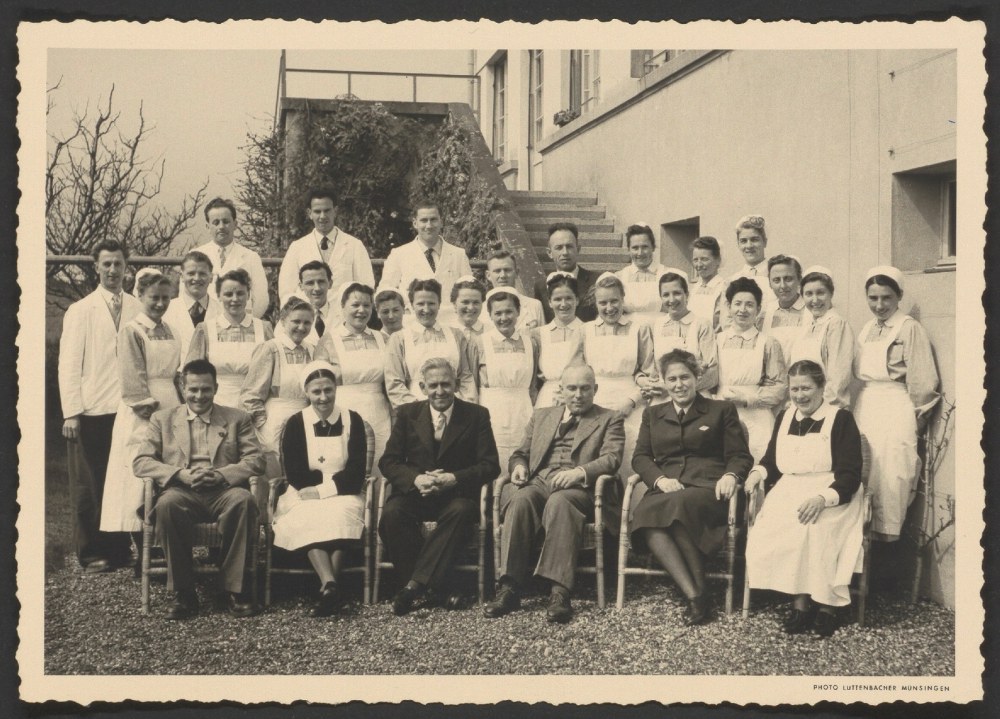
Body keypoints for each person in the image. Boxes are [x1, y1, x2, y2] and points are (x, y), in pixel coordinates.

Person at [484, 363, 624, 624]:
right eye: (572, 388)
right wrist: (519, 467)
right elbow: (520, 453)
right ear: (561, 389)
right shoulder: (542, 415)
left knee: (560, 501)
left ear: (596, 389)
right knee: (520, 498)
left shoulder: (609, 418)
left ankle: (559, 592)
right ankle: (510, 587)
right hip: (540, 480)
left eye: (585, 388)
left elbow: (611, 459)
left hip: (580, 489)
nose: (578, 394)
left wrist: (579, 472)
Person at [132, 359, 264, 619]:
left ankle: (231, 590)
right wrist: (181, 474)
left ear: (215, 388)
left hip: (223, 491)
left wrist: (221, 475)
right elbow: (141, 462)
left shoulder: (236, 418)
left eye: (205, 389)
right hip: (182, 490)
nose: (199, 396)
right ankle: (184, 592)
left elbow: (256, 460)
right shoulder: (163, 419)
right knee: (167, 505)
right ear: (182, 388)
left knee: (243, 501)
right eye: (193, 389)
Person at [630, 349, 753, 625]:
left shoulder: (721, 410)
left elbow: (740, 455)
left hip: (710, 488)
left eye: (684, 377)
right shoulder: (652, 414)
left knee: (678, 505)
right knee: (646, 517)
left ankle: (697, 597)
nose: (678, 385)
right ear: (663, 381)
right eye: (671, 379)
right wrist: (659, 480)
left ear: (697, 377)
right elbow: (640, 457)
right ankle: (696, 594)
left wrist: (731, 475)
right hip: (668, 488)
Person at [744, 360, 865, 638]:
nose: (800, 395)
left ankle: (826, 607)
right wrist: (756, 474)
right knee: (779, 527)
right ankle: (800, 605)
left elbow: (850, 473)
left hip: (832, 492)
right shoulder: (785, 416)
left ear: (822, 387)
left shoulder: (840, 419)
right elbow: (771, 460)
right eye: (794, 389)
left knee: (816, 529)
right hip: (789, 489)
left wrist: (823, 498)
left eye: (806, 388)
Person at [378, 358, 500, 614]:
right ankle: (439, 588)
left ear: (456, 384)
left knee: (461, 512)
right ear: (422, 387)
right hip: (416, 492)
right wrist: (416, 479)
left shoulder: (477, 415)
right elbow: (388, 461)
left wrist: (453, 478)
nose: (440, 391)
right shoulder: (408, 413)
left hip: (455, 495)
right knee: (391, 513)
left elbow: (490, 465)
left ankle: (412, 587)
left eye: (446, 384)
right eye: (433, 385)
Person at [58, 239, 142, 572]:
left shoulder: (137, 307)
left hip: (127, 409)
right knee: (90, 484)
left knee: (122, 481)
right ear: (96, 267)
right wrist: (71, 412)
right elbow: (68, 364)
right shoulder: (81, 310)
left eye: (118, 264)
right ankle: (91, 552)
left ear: (126, 266)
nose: (112, 270)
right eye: (106, 264)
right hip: (92, 408)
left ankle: (120, 550)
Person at [271, 361, 368, 617]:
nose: (323, 397)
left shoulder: (352, 419)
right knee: (309, 515)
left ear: (336, 389)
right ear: (306, 392)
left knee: (341, 513)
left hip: (344, 491)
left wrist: (325, 490)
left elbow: (357, 471)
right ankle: (332, 585)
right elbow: (295, 472)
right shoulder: (295, 423)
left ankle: (327, 587)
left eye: (328, 390)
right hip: (303, 491)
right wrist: (314, 488)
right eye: (316, 392)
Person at [853, 266, 939, 542]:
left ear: (899, 296)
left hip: (897, 407)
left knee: (891, 471)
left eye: (886, 298)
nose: (879, 305)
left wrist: (917, 420)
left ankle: (885, 537)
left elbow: (924, 381)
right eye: (873, 298)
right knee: (863, 465)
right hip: (867, 404)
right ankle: (858, 536)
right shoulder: (866, 329)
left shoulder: (909, 329)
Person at [100, 270, 182, 536]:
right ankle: (141, 542)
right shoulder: (132, 331)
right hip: (145, 409)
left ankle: (164, 539)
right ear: (140, 295)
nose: (160, 303)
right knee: (142, 470)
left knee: (169, 468)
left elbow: (176, 372)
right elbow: (131, 377)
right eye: (154, 298)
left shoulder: (171, 329)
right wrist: (147, 408)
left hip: (170, 401)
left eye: (165, 298)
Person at [576, 272, 655, 476]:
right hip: (594, 402)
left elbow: (649, 374)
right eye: (603, 302)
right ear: (595, 303)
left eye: (614, 301)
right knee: (593, 456)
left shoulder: (639, 328)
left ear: (623, 300)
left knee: (629, 453)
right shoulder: (585, 330)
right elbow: (578, 372)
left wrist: (631, 402)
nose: (609, 308)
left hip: (629, 402)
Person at [314, 282, 392, 475]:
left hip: (378, 409)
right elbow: (321, 381)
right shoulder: (329, 340)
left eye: (366, 305)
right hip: (342, 407)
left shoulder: (383, 338)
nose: (361, 310)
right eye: (355, 305)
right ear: (342, 307)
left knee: (380, 461)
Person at [715, 277, 788, 461]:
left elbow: (779, 387)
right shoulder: (717, 340)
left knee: (757, 466)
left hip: (757, 417)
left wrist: (748, 399)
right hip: (721, 413)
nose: (742, 310)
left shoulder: (768, 343)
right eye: (737, 304)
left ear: (758, 309)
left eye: (749, 304)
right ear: (729, 307)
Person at [383, 278, 478, 409]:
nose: (426, 309)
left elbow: (465, 377)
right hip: (416, 410)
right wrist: (419, 411)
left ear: (439, 304)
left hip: (455, 408)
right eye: (421, 304)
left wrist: (468, 407)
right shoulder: (399, 338)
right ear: (411, 305)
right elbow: (394, 383)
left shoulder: (456, 335)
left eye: (431, 303)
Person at [186, 268, 274, 409]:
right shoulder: (205, 329)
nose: (235, 299)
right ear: (219, 296)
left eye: (240, 293)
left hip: (255, 405)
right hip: (214, 405)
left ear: (248, 295)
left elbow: (273, 371)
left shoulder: (264, 328)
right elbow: (192, 374)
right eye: (228, 294)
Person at [240, 296, 315, 459]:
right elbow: (250, 395)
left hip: (306, 418)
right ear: (283, 321)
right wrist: (263, 425)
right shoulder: (270, 349)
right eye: (296, 321)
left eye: (307, 323)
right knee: (276, 469)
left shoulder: (312, 350)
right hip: (275, 420)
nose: (301, 327)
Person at [378, 200, 473, 327]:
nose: (429, 225)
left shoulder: (458, 255)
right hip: (412, 325)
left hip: (451, 324)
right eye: (424, 220)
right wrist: (403, 312)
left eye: (433, 219)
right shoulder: (399, 254)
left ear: (441, 222)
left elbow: (470, 291)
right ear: (415, 223)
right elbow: (385, 291)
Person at [277, 187, 375, 306]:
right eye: (317, 211)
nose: (322, 216)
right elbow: (286, 291)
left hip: (343, 318)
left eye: (327, 210)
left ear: (335, 211)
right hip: (309, 318)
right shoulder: (297, 247)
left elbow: (366, 286)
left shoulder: (354, 246)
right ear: (310, 214)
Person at [478, 289, 541, 469]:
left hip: (522, 409)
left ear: (518, 312)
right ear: (489, 315)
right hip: (491, 410)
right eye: (498, 313)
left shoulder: (531, 343)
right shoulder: (480, 342)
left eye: (508, 312)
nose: (503, 318)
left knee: (521, 458)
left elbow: (533, 385)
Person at [786, 266, 855, 409]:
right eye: (809, 294)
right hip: (802, 405)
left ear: (831, 293)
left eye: (820, 293)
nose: (815, 300)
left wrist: (824, 411)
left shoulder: (836, 324)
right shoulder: (806, 327)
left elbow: (838, 378)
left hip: (825, 409)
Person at [644, 270, 718, 403]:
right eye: (666, 295)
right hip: (662, 399)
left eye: (677, 293)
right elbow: (652, 371)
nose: (671, 300)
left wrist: (675, 390)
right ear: (660, 298)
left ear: (687, 294)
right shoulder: (655, 326)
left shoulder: (701, 325)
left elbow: (712, 375)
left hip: (696, 397)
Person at [194, 197, 269, 319]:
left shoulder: (251, 257)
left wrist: (246, 324)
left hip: (241, 325)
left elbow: (262, 300)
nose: (221, 226)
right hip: (206, 324)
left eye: (226, 221)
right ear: (208, 227)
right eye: (216, 222)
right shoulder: (196, 256)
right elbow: (187, 296)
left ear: (235, 224)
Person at [532, 272, 585, 408]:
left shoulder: (587, 331)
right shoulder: (538, 334)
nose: (563, 304)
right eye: (557, 299)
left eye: (569, 298)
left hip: (579, 398)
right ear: (549, 302)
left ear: (577, 300)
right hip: (547, 400)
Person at [533, 222, 599, 323]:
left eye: (569, 246)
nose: (565, 252)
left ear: (578, 249)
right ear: (549, 253)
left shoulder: (596, 281)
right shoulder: (541, 286)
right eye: (559, 248)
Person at [162, 250, 219, 362]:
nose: (197, 278)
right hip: (174, 376)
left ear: (211, 277)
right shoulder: (166, 310)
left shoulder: (222, 311)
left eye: (202, 273)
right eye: (191, 273)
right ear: (182, 276)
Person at [614, 223, 668, 330]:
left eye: (645, 247)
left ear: (653, 247)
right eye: (635, 248)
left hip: (660, 330)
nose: (640, 253)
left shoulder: (667, 275)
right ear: (628, 249)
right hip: (628, 332)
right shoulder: (619, 277)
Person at [727, 215, 777, 317]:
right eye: (744, 241)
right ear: (738, 245)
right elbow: (727, 319)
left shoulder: (776, 276)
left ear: (765, 242)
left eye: (754, 240)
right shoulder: (732, 280)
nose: (749, 246)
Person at [761, 255, 808, 361]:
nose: (783, 285)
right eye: (776, 280)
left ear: (799, 280)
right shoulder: (765, 314)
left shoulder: (810, 311)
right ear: (770, 283)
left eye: (788, 279)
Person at [483, 250, 544, 330]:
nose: (503, 275)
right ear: (488, 275)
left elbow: (543, 339)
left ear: (516, 273)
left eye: (507, 270)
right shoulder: (481, 309)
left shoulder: (534, 305)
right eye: (497, 271)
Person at [687, 236, 726, 331]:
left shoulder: (724, 287)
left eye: (704, 259)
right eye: (695, 260)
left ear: (718, 260)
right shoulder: (693, 289)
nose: (699, 265)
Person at [296, 260, 335, 341]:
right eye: (310, 283)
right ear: (301, 286)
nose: (317, 288)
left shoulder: (343, 315)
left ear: (330, 283)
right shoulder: (291, 316)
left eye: (321, 282)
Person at [449, 275, 488, 346]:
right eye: (465, 302)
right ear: (454, 304)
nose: (471, 307)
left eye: (476, 302)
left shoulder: (490, 331)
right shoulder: (447, 332)